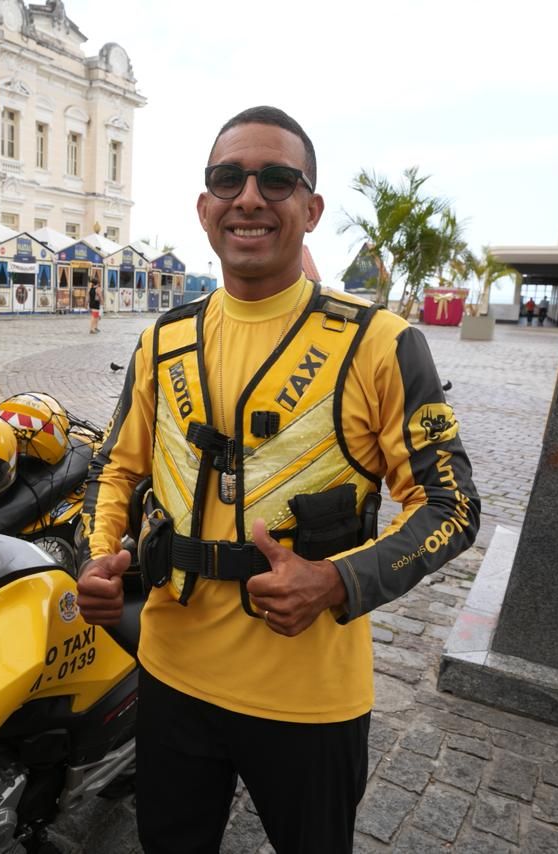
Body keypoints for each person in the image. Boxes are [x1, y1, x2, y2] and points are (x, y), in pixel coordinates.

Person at [76, 106, 479, 854]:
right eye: (228, 178)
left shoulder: (380, 345)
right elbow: (115, 466)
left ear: (311, 207)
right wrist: (96, 556)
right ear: (204, 207)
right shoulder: (163, 341)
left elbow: (452, 507)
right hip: (170, 681)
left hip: (309, 703)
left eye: (277, 179)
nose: (250, 197)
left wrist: (336, 582)